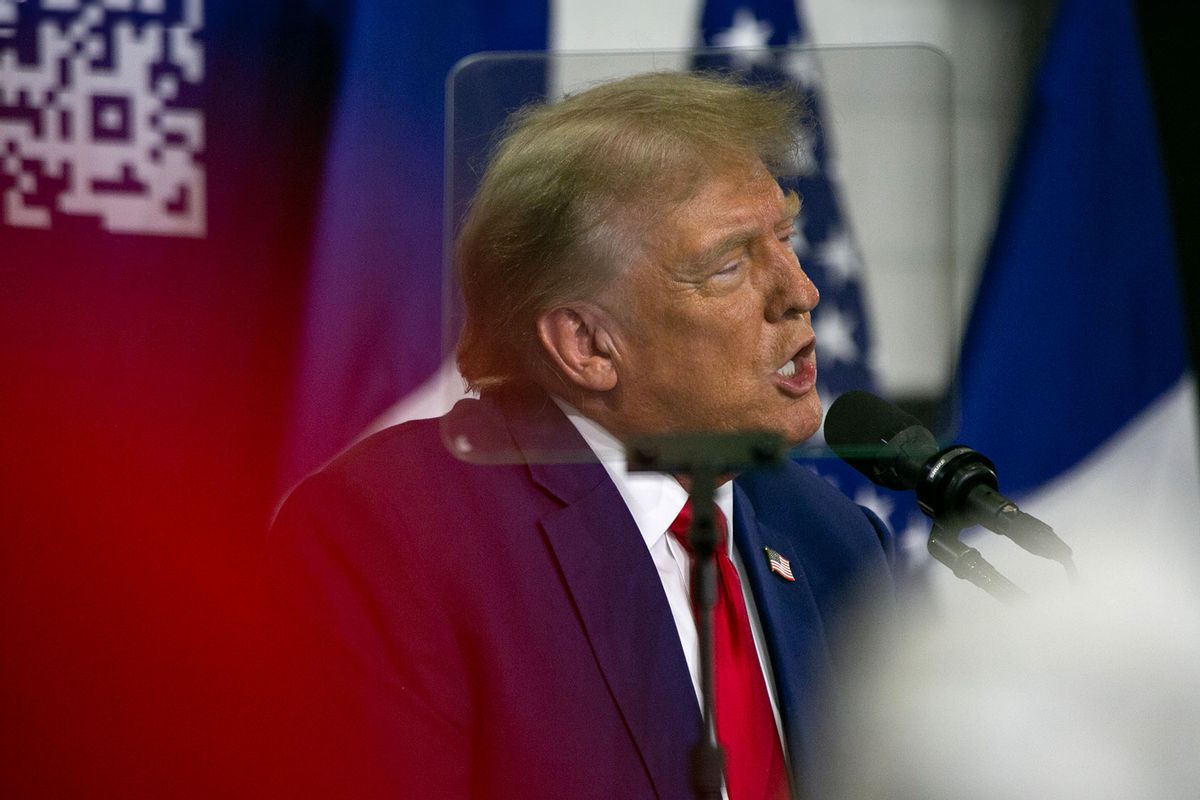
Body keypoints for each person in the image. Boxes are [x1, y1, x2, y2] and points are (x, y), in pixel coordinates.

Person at [269, 71, 895, 800]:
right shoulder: (394, 538)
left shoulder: (832, 538)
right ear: (587, 345)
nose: (800, 292)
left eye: (784, 239)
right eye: (730, 265)